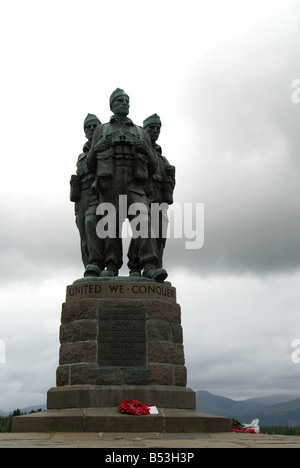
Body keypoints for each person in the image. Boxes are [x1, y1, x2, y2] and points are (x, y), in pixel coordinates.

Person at [87, 89, 168, 281]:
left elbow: (153, 165)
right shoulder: (102, 130)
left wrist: (146, 151)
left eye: (127, 100)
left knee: (143, 221)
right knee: (110, 227)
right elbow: (91, 165)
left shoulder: (140, 132)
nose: (124, 103)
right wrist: (96, 150)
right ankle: (111, 265)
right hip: (110, 184)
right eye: (119, 100)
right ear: (112, 105)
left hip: (135, 184)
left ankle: (148, 265)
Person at [128, 114, 175, 275]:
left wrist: (172, 177)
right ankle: (135, 266)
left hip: (161, 202)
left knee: (160, 234)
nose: (155, 131)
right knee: (142, 229)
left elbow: (170, 186)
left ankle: (156, 266)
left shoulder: (163, 159)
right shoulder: (138, 151)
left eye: (157, 128)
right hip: (144, 196)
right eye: (151, 128)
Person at [70, 113, 104, 277]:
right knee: (83, 235)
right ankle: (90, 268)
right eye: (88, 127)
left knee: (92, 223)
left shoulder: (104, 147)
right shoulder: (81, 156)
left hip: (97, 193)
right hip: (81, 198)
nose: (91, 129)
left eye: (94, 126)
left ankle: (96, 262)